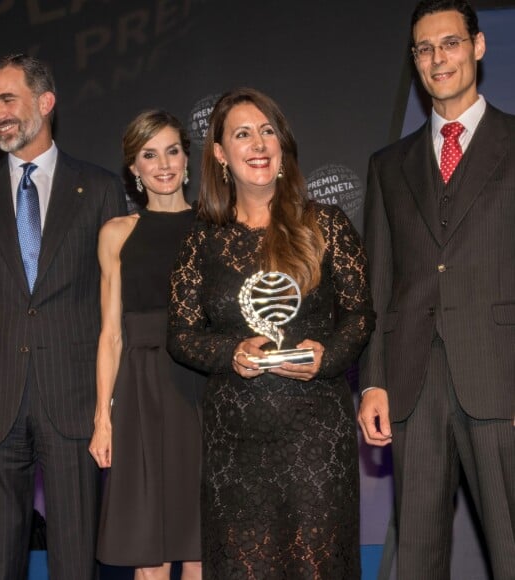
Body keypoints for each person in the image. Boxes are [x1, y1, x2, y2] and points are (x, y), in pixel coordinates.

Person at [167, 87, 375, 579]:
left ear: (283, 146)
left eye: (267, 132)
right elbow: (181, 332)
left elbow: (361, 315)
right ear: (220, 153)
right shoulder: (202, 238)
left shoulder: (327, 223)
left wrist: (326, 357)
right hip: (234, 446)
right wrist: (230, 352)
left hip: (316, 439)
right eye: (243, 134)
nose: (258, 144)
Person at [0, 54, 128, 580]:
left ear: (45, 103)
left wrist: (109, 406)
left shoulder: (102, 188)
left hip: (77, 405)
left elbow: (116, 308)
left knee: (77, 563)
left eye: (7, 99)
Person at [358, 1, 515, 578]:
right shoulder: (387, 164)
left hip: (502, 378)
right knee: (417, 555)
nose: (436, 58)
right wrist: (374, 380)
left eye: (449, 43)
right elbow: (378, 282)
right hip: (412, 382)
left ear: (477, 46)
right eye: (424, 49)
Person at [89, 110, 203, 580]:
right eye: (149, 154)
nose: (163, 164)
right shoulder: (117, 233)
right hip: (139, 393)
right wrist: (102, 418)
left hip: (201, 388)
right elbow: (111, 334)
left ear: (187, 160)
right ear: (133, 168)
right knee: (148, 554)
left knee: (201, 549)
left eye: (172, 151)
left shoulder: (215, 227)